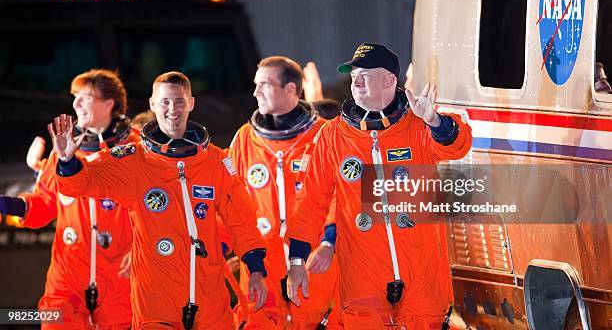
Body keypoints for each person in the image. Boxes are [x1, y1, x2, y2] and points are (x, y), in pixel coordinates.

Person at [51, 71, 268, 329]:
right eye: (164, 102)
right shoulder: (133, 160)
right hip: (156, 298)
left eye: (178, 101)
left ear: (191, 103)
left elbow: (241, 219)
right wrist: (66, 161)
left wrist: (255, 268)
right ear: (153, 105)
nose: (172, 109)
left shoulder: (216, 161)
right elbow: (86, 182)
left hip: (209, 296)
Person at [286, 43, 473, 329]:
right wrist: (297, 261)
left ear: (389, 80)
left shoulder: (417, 124)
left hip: (420, 271)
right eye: (353, 77)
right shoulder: (333, 136)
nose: (356, 81)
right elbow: (311, 202)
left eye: (365, 75)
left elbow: (457, 146)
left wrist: (434, 121)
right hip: (362, 274)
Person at [0, 69, 135, 329]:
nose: (76, 104)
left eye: (86, 97)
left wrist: (143, 248)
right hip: (69, 276)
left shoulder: (134, 151)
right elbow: (44, 203)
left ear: (109, 104)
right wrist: (9, 204)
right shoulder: (63, 150)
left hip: (121, 278)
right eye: (75, 97)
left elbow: (154, 208)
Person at [229, 56, 340, 329]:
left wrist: (329, 242)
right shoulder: (245, 139)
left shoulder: (324, 136)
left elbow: (342, 196)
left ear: (290, 89)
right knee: (258, 321)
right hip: (261, 260)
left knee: (315, 321)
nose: (255, 92)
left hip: (313, 257)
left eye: (264, 85)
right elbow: (229, 200)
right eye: (255, 85)